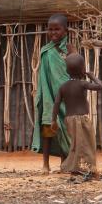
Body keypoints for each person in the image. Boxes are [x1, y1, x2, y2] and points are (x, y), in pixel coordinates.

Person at [31, 13, 74, 174]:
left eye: (57, 29)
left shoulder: (70, 49)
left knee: (65, 130)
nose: (53, 33)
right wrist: (41, 95)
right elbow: (43, 76)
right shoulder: (45, 51)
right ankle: (45, 165)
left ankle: (64, 163)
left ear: (65, 30)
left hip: (66, 97)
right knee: (48, 129)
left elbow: (75, 71)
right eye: (50, 29)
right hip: (49, 97)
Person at [51, 53, 102, 177]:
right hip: (81, 120)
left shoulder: (63, 86)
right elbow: (100, 86)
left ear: (66, 70)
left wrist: (53, 120)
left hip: (69, 120)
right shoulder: (82, 84)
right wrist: (92, 76)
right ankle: (88, 169)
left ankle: (76, 168)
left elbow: (56, 104)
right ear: (82, 69)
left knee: (76, 144)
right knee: (87, 144)